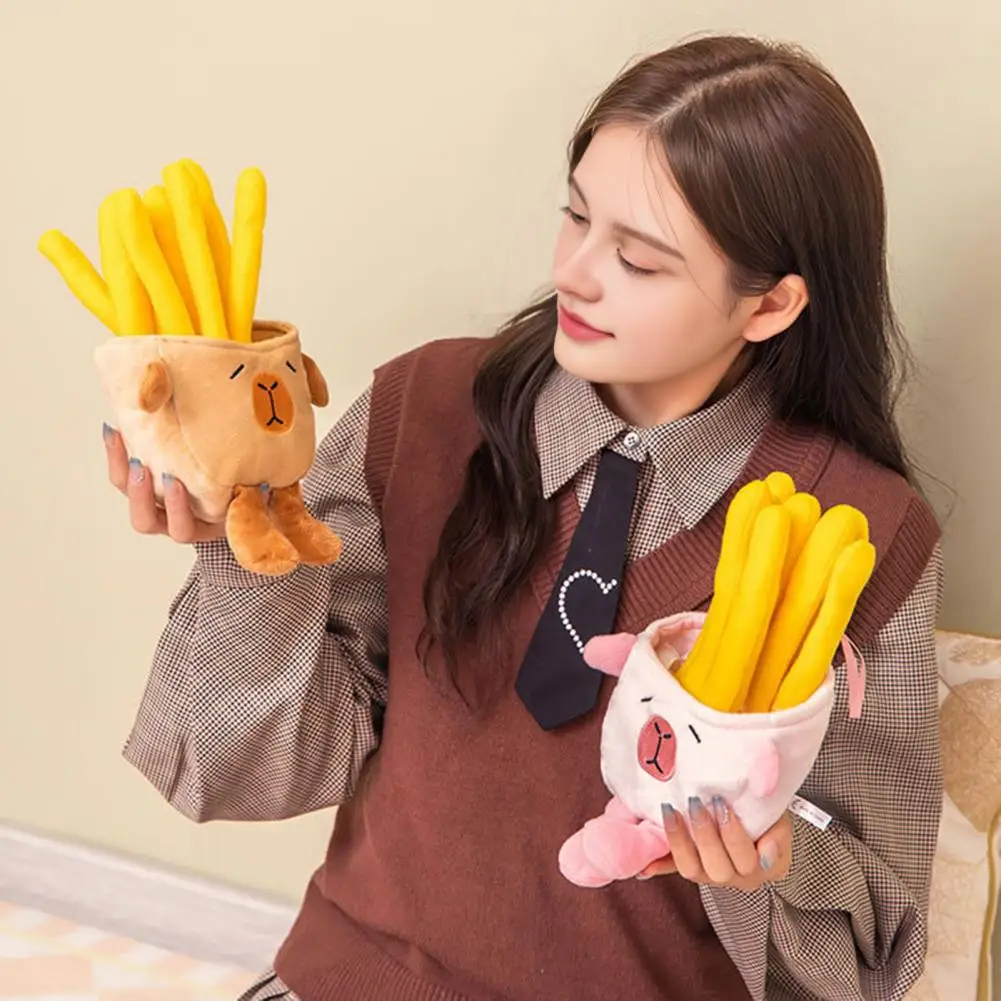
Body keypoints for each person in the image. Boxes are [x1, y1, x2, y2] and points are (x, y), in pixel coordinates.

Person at [102, 33, 944, 1001]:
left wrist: (776, 857)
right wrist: (240, 544)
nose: (575, 274)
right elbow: (245, 770)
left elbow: (875, 939)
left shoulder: (857, 533)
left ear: (769, 305)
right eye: (575, 216)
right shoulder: (422, 409)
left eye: (637, 259)